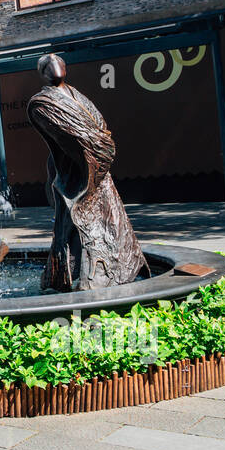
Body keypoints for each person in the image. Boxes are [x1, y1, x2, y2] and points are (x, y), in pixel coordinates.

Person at [27, 53, 147, 291]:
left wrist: (100, 144)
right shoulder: (41, 104)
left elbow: (98, 127)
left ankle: (110, 272)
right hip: (76, 176)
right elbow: (77, 138)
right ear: (42, 73)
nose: (55, 67)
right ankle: (77, 278)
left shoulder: (76, 94)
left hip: (95, 174)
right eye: (48, 65)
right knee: (79, 229)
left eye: (58, 63)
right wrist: (100, 145)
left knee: (107, 226)